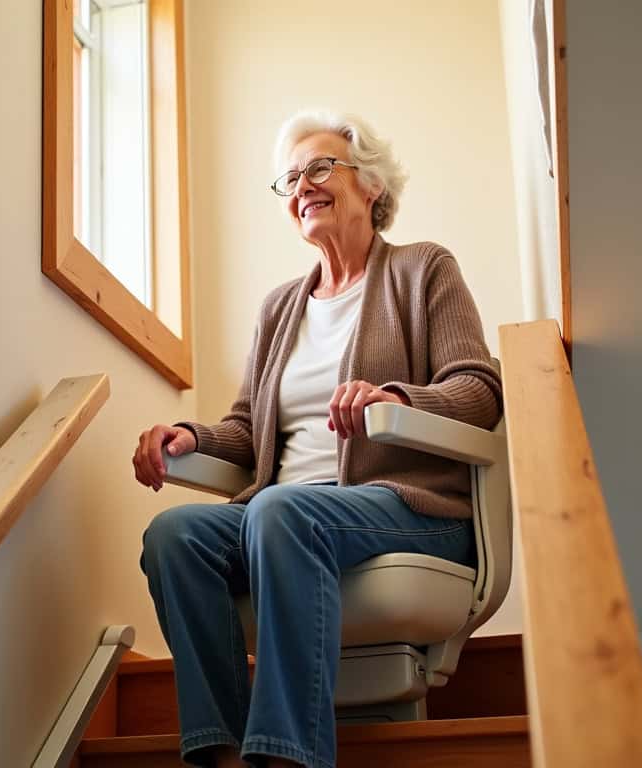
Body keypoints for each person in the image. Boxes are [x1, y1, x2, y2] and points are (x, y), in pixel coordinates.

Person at [131, 110, 502, 768]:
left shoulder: (423, 270)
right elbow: (248, 430)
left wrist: (396, 398)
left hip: (406, 508)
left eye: (320, 167)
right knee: (175, 537)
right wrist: (186, 436)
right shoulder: (280, 307)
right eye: (292, 177)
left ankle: (287, 754)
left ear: (373, 187)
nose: (303, 184)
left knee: (280, 509)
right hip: (289, 513)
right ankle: (219, 751)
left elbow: (479, 389)